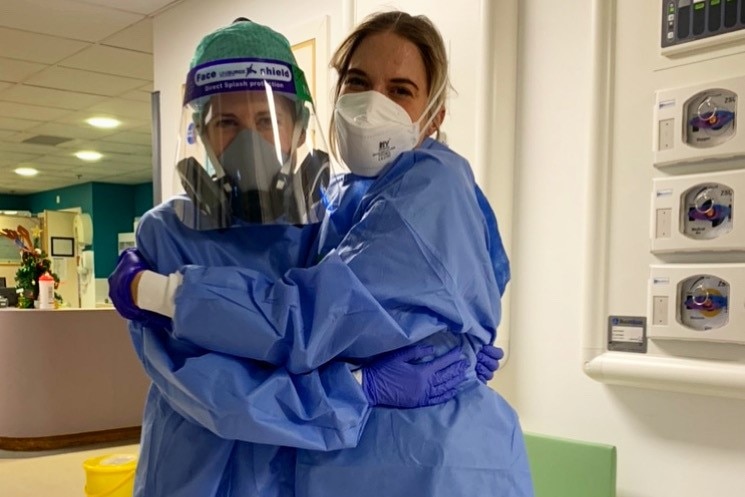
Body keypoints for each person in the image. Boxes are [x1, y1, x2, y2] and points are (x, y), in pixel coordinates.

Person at [109, 17, 505, 497]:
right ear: (199, 130)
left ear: (298, 129)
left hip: (300, 476)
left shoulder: (326, 223)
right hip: (197, 474)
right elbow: (216, 392)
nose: (250, 143)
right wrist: (359, 388)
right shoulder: (167, 235)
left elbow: (356, 316)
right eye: (227, 123)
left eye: (268, 122)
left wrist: (454, 346)